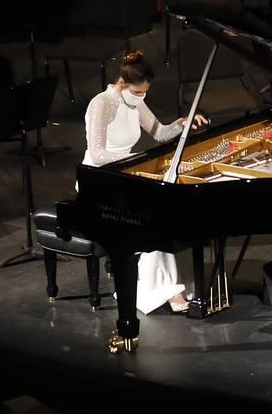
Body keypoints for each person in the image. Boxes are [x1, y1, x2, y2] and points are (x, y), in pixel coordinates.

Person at [82, 50, 207, 314]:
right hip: (99, 179)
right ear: (122, 84)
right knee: (152, 215)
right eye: (137, 93)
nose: (141, 98)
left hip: (126, 173)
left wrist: (182, 124)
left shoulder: (135, 102)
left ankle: (178, 284)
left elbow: (160, 133)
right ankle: (164, 290)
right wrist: (136, 157)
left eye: (145, 93)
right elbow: (98, 154)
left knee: (169, 208)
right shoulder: (101, 104)